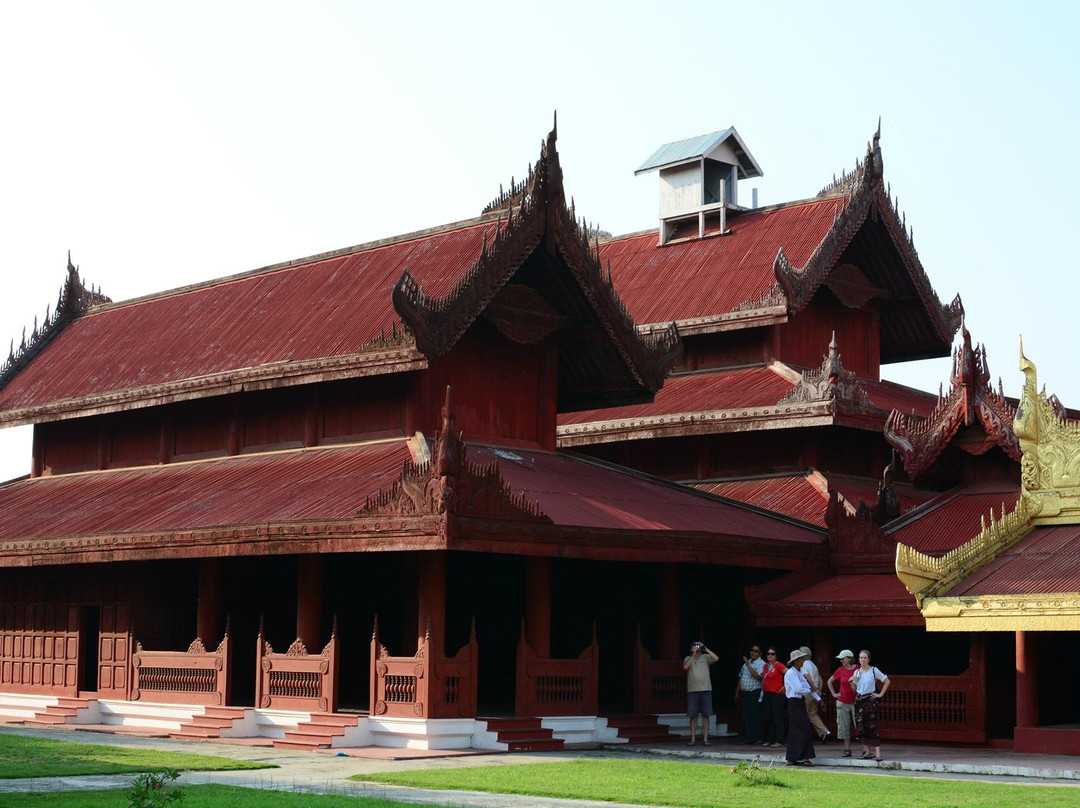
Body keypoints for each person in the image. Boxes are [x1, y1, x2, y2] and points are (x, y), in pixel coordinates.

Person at [850, 649, 890, 761]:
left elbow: (886, 681)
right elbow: (854, 689)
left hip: (870, 701)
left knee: (872, 726)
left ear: (868, 659)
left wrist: (879, 694)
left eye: (865, 658)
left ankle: (877, 754)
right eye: (861, 657)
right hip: (860, 700)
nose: (863, 660)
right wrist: (851, 681)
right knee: (862, 726)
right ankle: (868, 752)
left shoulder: (873, 670)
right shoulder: (856, 672)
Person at [783, 648, 816, 766]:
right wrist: (809, 690)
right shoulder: (791, 673)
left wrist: (811, 691)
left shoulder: (799, 672)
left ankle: (803, 756)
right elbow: (798, 688)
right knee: (797, 729)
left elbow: (805, 685)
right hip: (794, 702)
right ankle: (793, 757)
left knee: (804, 728)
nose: (803, 661)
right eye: (801, 659)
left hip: (800, 702)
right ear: (796, 661)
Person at [682, 640, 718, 746]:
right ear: (691, 649)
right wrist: (693, 654)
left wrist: (705, 648)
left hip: (706, 689)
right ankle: (693, 738)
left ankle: (705, 738)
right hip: (692, 691)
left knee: (706, 715)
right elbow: (685, 667)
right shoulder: (688, 658)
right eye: (695, 646)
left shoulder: (705, 657)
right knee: (693, 716)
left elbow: (716, 658)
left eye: (698, 646)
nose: (697, 647)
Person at [827, 649, 858, 757]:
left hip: (856, 702)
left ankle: (865, 750)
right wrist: (834, 694)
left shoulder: (858, 669)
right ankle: (847, 749)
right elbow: (829, 681)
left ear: (849, 658)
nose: (841, 661)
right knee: (844, 726)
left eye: (843, 659)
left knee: (860, 725)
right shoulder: (840, 670)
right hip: (843, 701)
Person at [798, 645, 831, 742]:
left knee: (803, 714)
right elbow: (820, 680)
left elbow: (807, 677)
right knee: (813, 714)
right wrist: (818, 691)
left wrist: (812, 687)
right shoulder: (813, 665)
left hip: (808, 693)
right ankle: (824, 732)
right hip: (815, 694)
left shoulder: (804, 664)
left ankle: (803, 737)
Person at [734, 644, 765, 744]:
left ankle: (757, 738)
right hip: (745, 693)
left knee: (755, 716)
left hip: (755, 693)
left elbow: (758, 677)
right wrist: (737, 692)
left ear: (760, 654)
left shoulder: (761, 663)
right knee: (746, 716)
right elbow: (740, 676)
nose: (753, 652)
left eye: (756, 651)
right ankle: (748, 738)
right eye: (752, 650)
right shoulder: (746, 664)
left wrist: (748, 664)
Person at [760, 646, 787, 747]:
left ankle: (779, 740)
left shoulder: (778, 665)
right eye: (768, 654)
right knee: (769, 717)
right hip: (767, 693)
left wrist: (785, 686)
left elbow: (789, 674)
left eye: (773, 654)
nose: (770, 655)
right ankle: (771, 739)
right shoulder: (766, 666)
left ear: (776, 655)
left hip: (777, 694)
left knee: (777, 717)